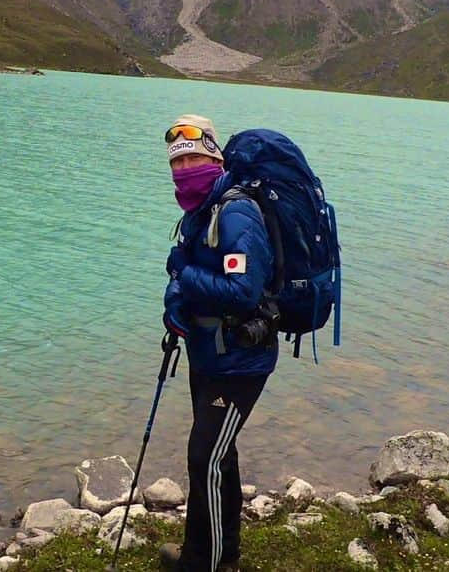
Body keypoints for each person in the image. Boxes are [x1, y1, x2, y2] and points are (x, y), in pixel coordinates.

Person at [159, 114, 277, 572]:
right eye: (177, 161)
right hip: (209, 352)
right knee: (218, 455)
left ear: (215, 157)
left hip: (241, 360)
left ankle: (200, 563)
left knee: (204, 458)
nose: (185, 168)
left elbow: (242, 291)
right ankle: (222, 555)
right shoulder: (198, 212)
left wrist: (183, 276)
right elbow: (181, 273)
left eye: (193, 157)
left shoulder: (236, 212)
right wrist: (175, 302)